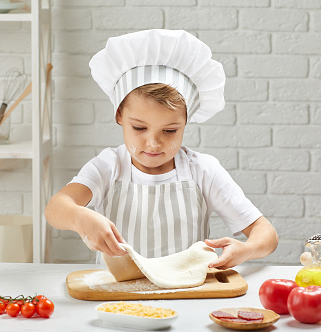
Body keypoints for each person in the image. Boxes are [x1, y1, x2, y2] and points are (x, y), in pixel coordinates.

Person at [45, 29, 278, 269]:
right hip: (117, 296)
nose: (154, 143)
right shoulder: (109, 166)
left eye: (169, 131)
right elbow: (56, 208)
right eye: (139, 128)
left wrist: (246, 249)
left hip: (187, 295)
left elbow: (266, 234)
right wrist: (79, 218)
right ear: (119, 116)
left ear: (186, 122)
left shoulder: (201, 170)